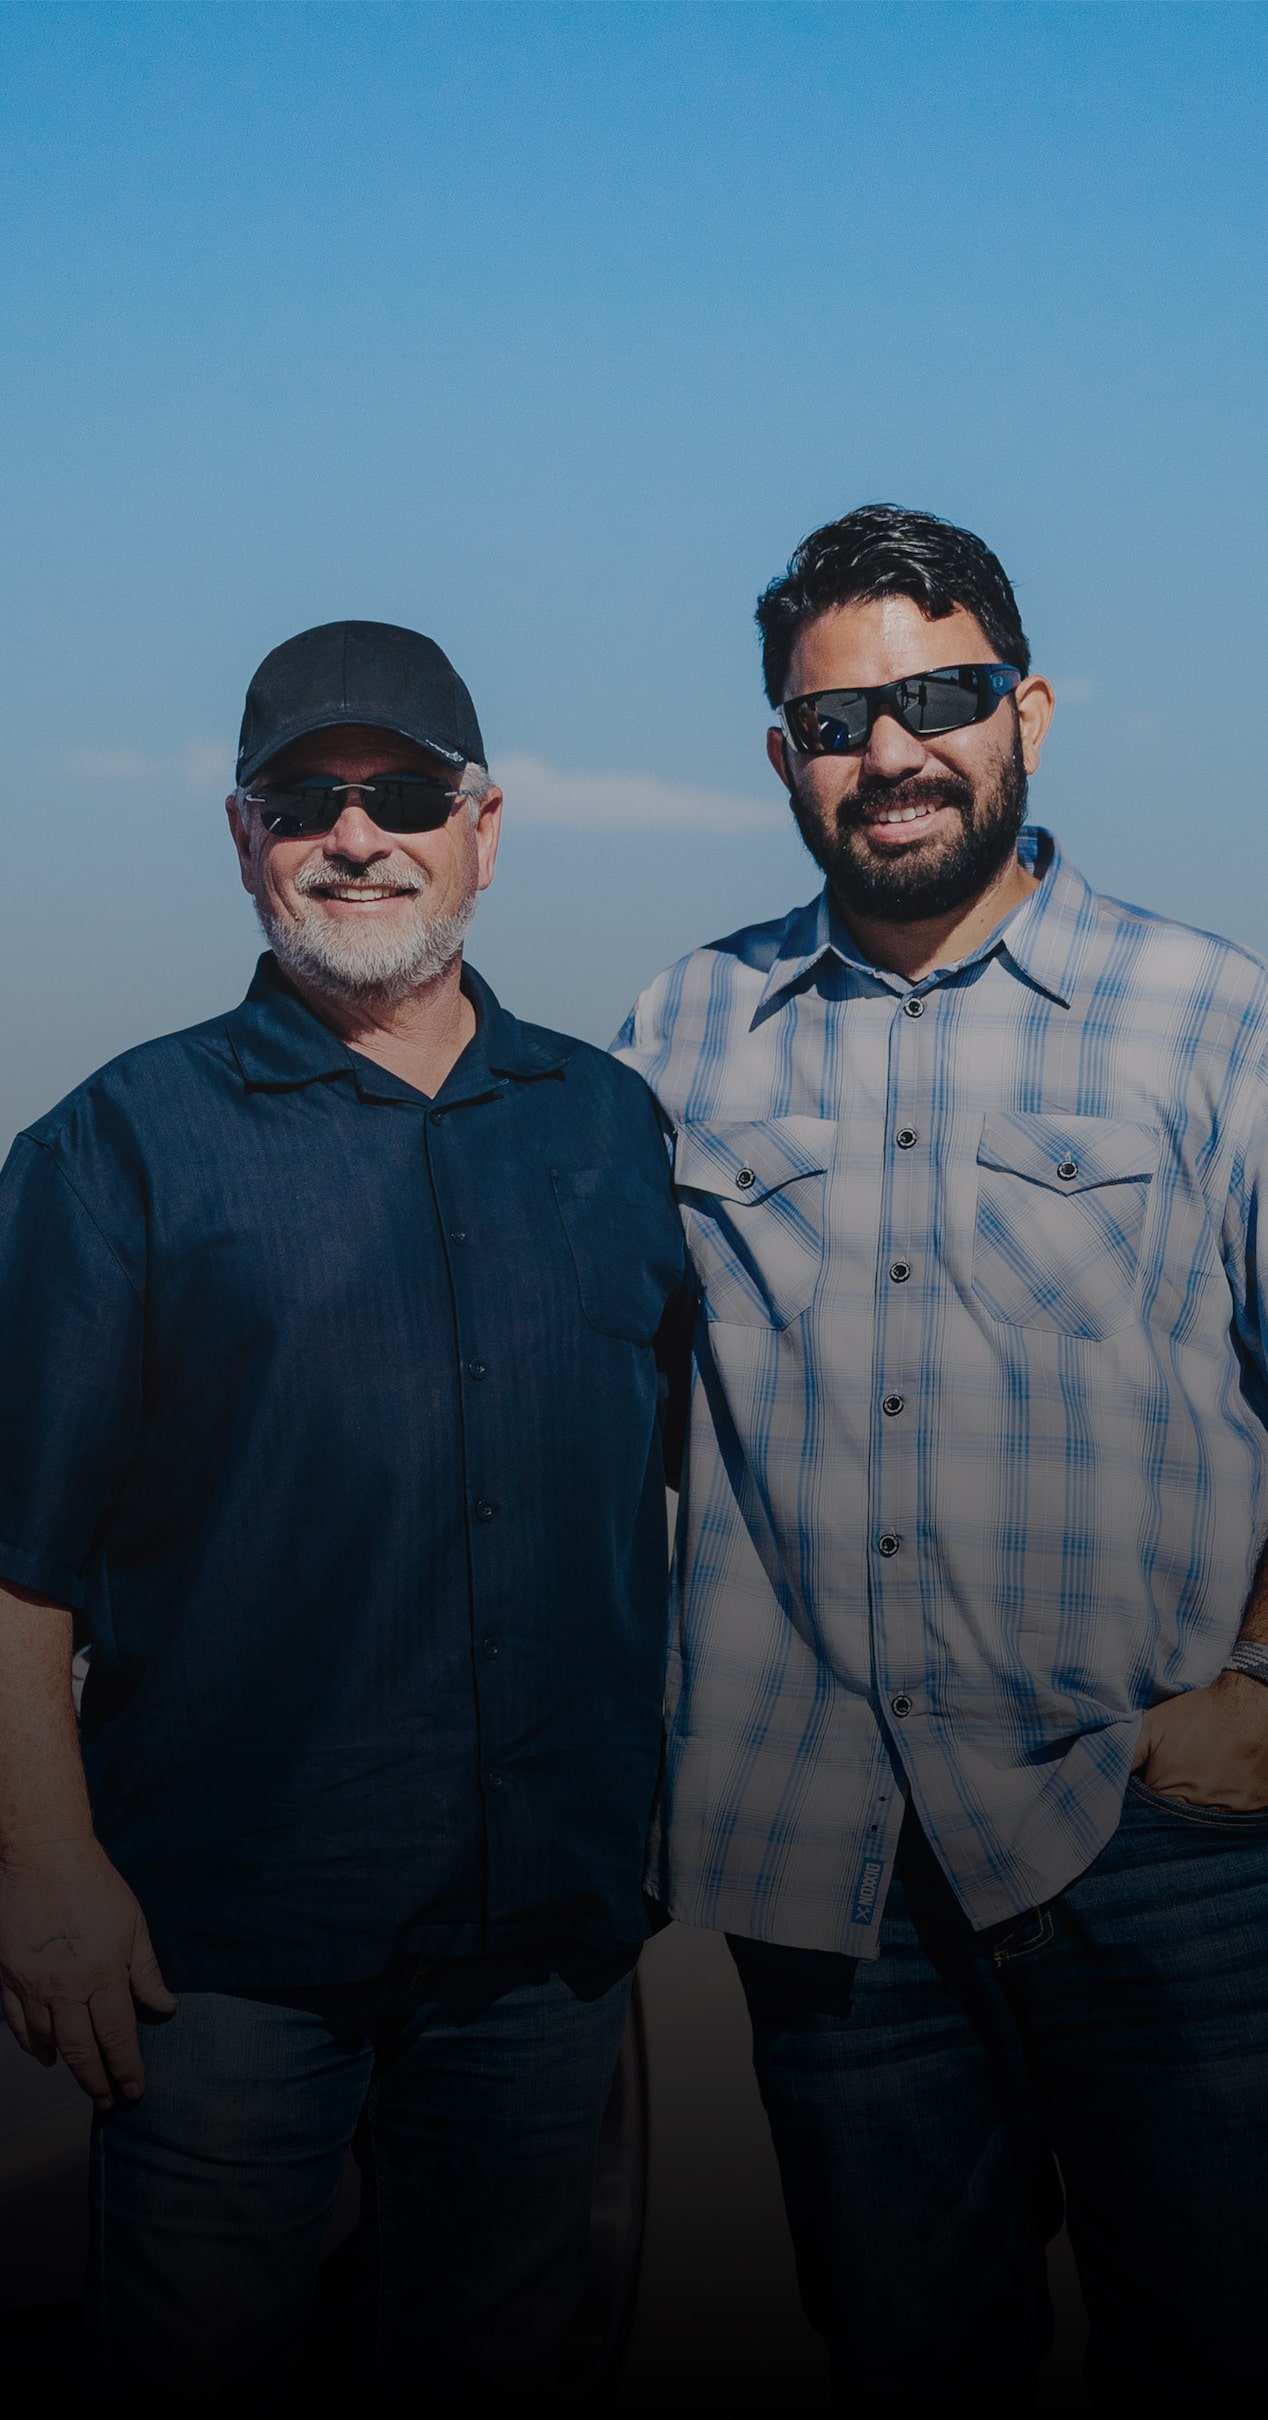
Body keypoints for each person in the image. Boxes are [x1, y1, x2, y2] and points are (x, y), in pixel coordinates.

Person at [615, 506, 1268, 2415]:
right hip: (825, 1863)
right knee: (907, 2370)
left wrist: (1256, 1686)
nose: (892, 751)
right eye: (838, 721)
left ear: (1028, 712)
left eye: (943, 696)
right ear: (782, 758)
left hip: (1160, 1833)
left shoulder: (1213, 1017)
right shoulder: (679, 1032)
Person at [0, 619, 687, 2412]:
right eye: (307, 798)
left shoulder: (614, 1136)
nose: (355, 833)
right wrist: (48, 1875)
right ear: (244, 838)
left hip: (545, 1954)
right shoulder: (115, 1150)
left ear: (486, 822)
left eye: (402, 794)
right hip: (218, 1963)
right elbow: (17, 1567)